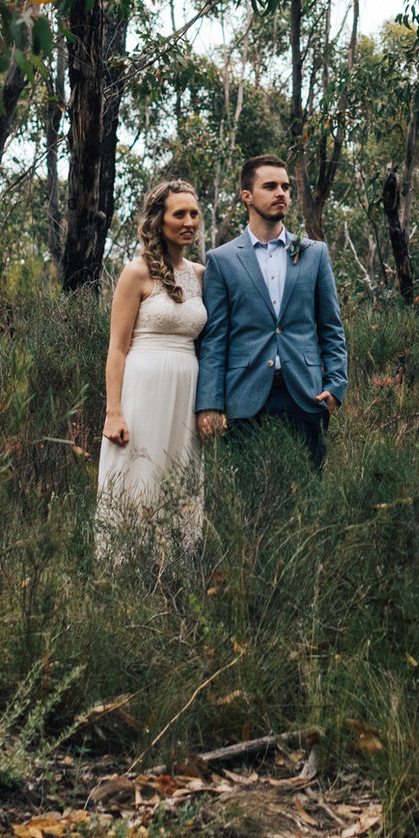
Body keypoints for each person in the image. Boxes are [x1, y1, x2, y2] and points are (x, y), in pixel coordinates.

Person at [194, 154, 347, 469]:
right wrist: (210, 402)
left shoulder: (314, 253)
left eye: (286, 187)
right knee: (247, 502)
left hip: (306, 396)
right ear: (247, 196)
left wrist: (335, 387)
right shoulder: (221, 260)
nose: (282, 193)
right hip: (244, 400)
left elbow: (331, 328)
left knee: (308, 495)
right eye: (271, 186)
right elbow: (214, 338)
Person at [94, 180, 208, 556]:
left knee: (180, 474)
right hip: (142, 388)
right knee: (139, 473)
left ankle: (174, 567)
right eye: (179, 214)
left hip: (186, 391)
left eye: (194, 214)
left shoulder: (201, 274)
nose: (189, 221)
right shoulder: (136, 273)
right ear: (159, 221)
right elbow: (116, 348)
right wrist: (113, 412)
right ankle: (124, 567)